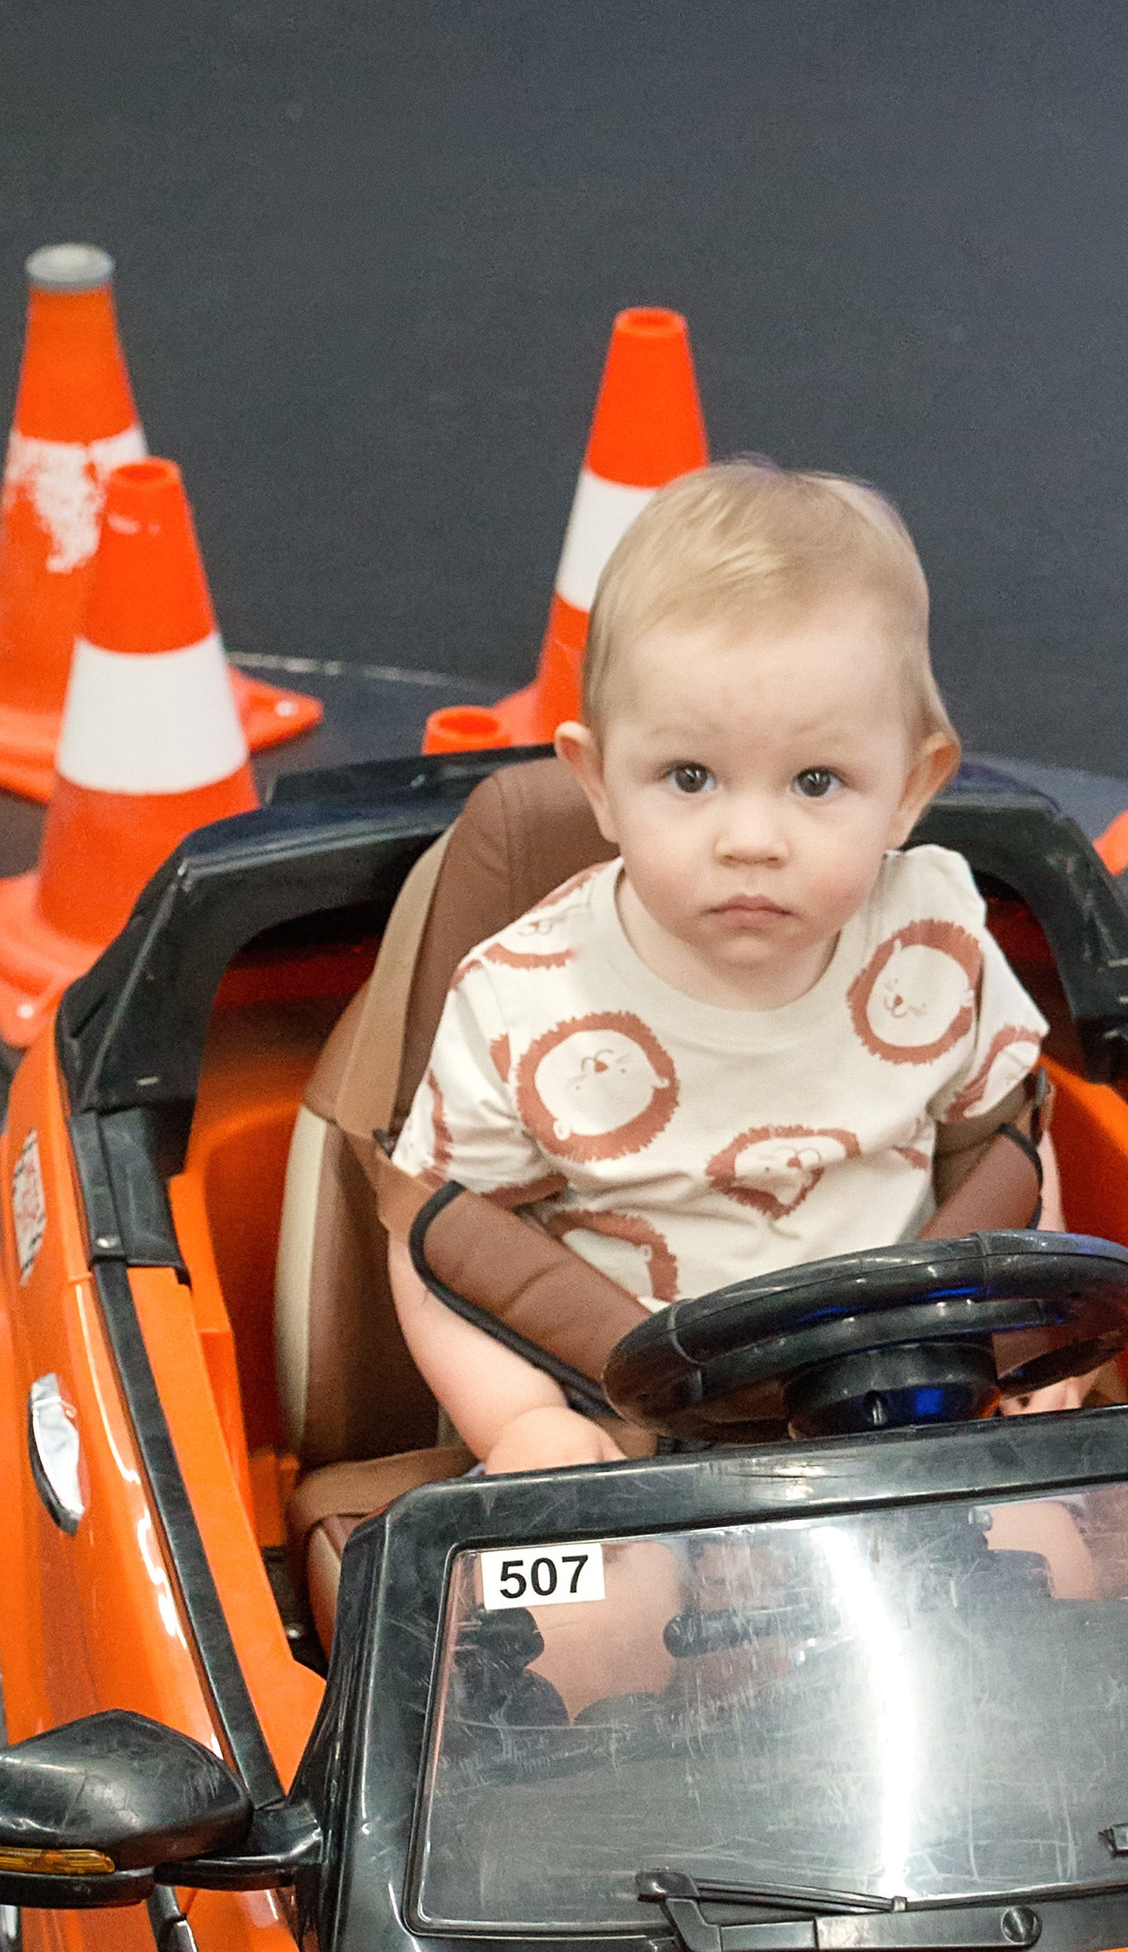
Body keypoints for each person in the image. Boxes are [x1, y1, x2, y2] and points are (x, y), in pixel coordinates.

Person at [378, 460, 1055, 1472]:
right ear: (598, 783)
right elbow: (437, 1243)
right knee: (601, 1625)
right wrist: (520, 1422)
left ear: (911, 790)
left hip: (914, 1409)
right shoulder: (526, 1002)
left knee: (1064, 1554)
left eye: (815, 781)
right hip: (632, 1432)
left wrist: (1033, 1355)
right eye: (688, 777)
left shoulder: (933, 937)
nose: (750, 838)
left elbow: (1016, 1149)